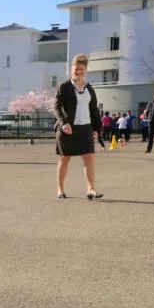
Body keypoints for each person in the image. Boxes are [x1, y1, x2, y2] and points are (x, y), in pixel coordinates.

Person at [54, 54, 102, 199]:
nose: (79, 71)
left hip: (85, 127)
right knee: (65, 158)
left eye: (82, 68)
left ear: (86, 70)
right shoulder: (65, 87)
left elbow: (94, 110)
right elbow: (57, 106)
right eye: (76, 68)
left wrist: (96, 130)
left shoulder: (89, 89)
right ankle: (60, 189)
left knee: (89, 158)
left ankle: (91, 189)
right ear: (72, 68)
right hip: (67, 128)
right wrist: (63, 123)